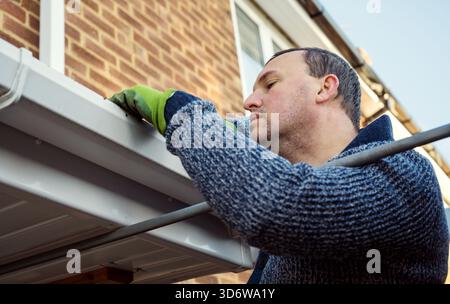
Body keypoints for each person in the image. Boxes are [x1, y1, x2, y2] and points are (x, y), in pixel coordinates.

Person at [109, 47, 449, 284]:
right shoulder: (302, 185)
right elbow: (242, 134)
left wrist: (182, 114)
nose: (249, 101)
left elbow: (278, 208)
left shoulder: (403, 172)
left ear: (325, 88)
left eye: (270, 84)